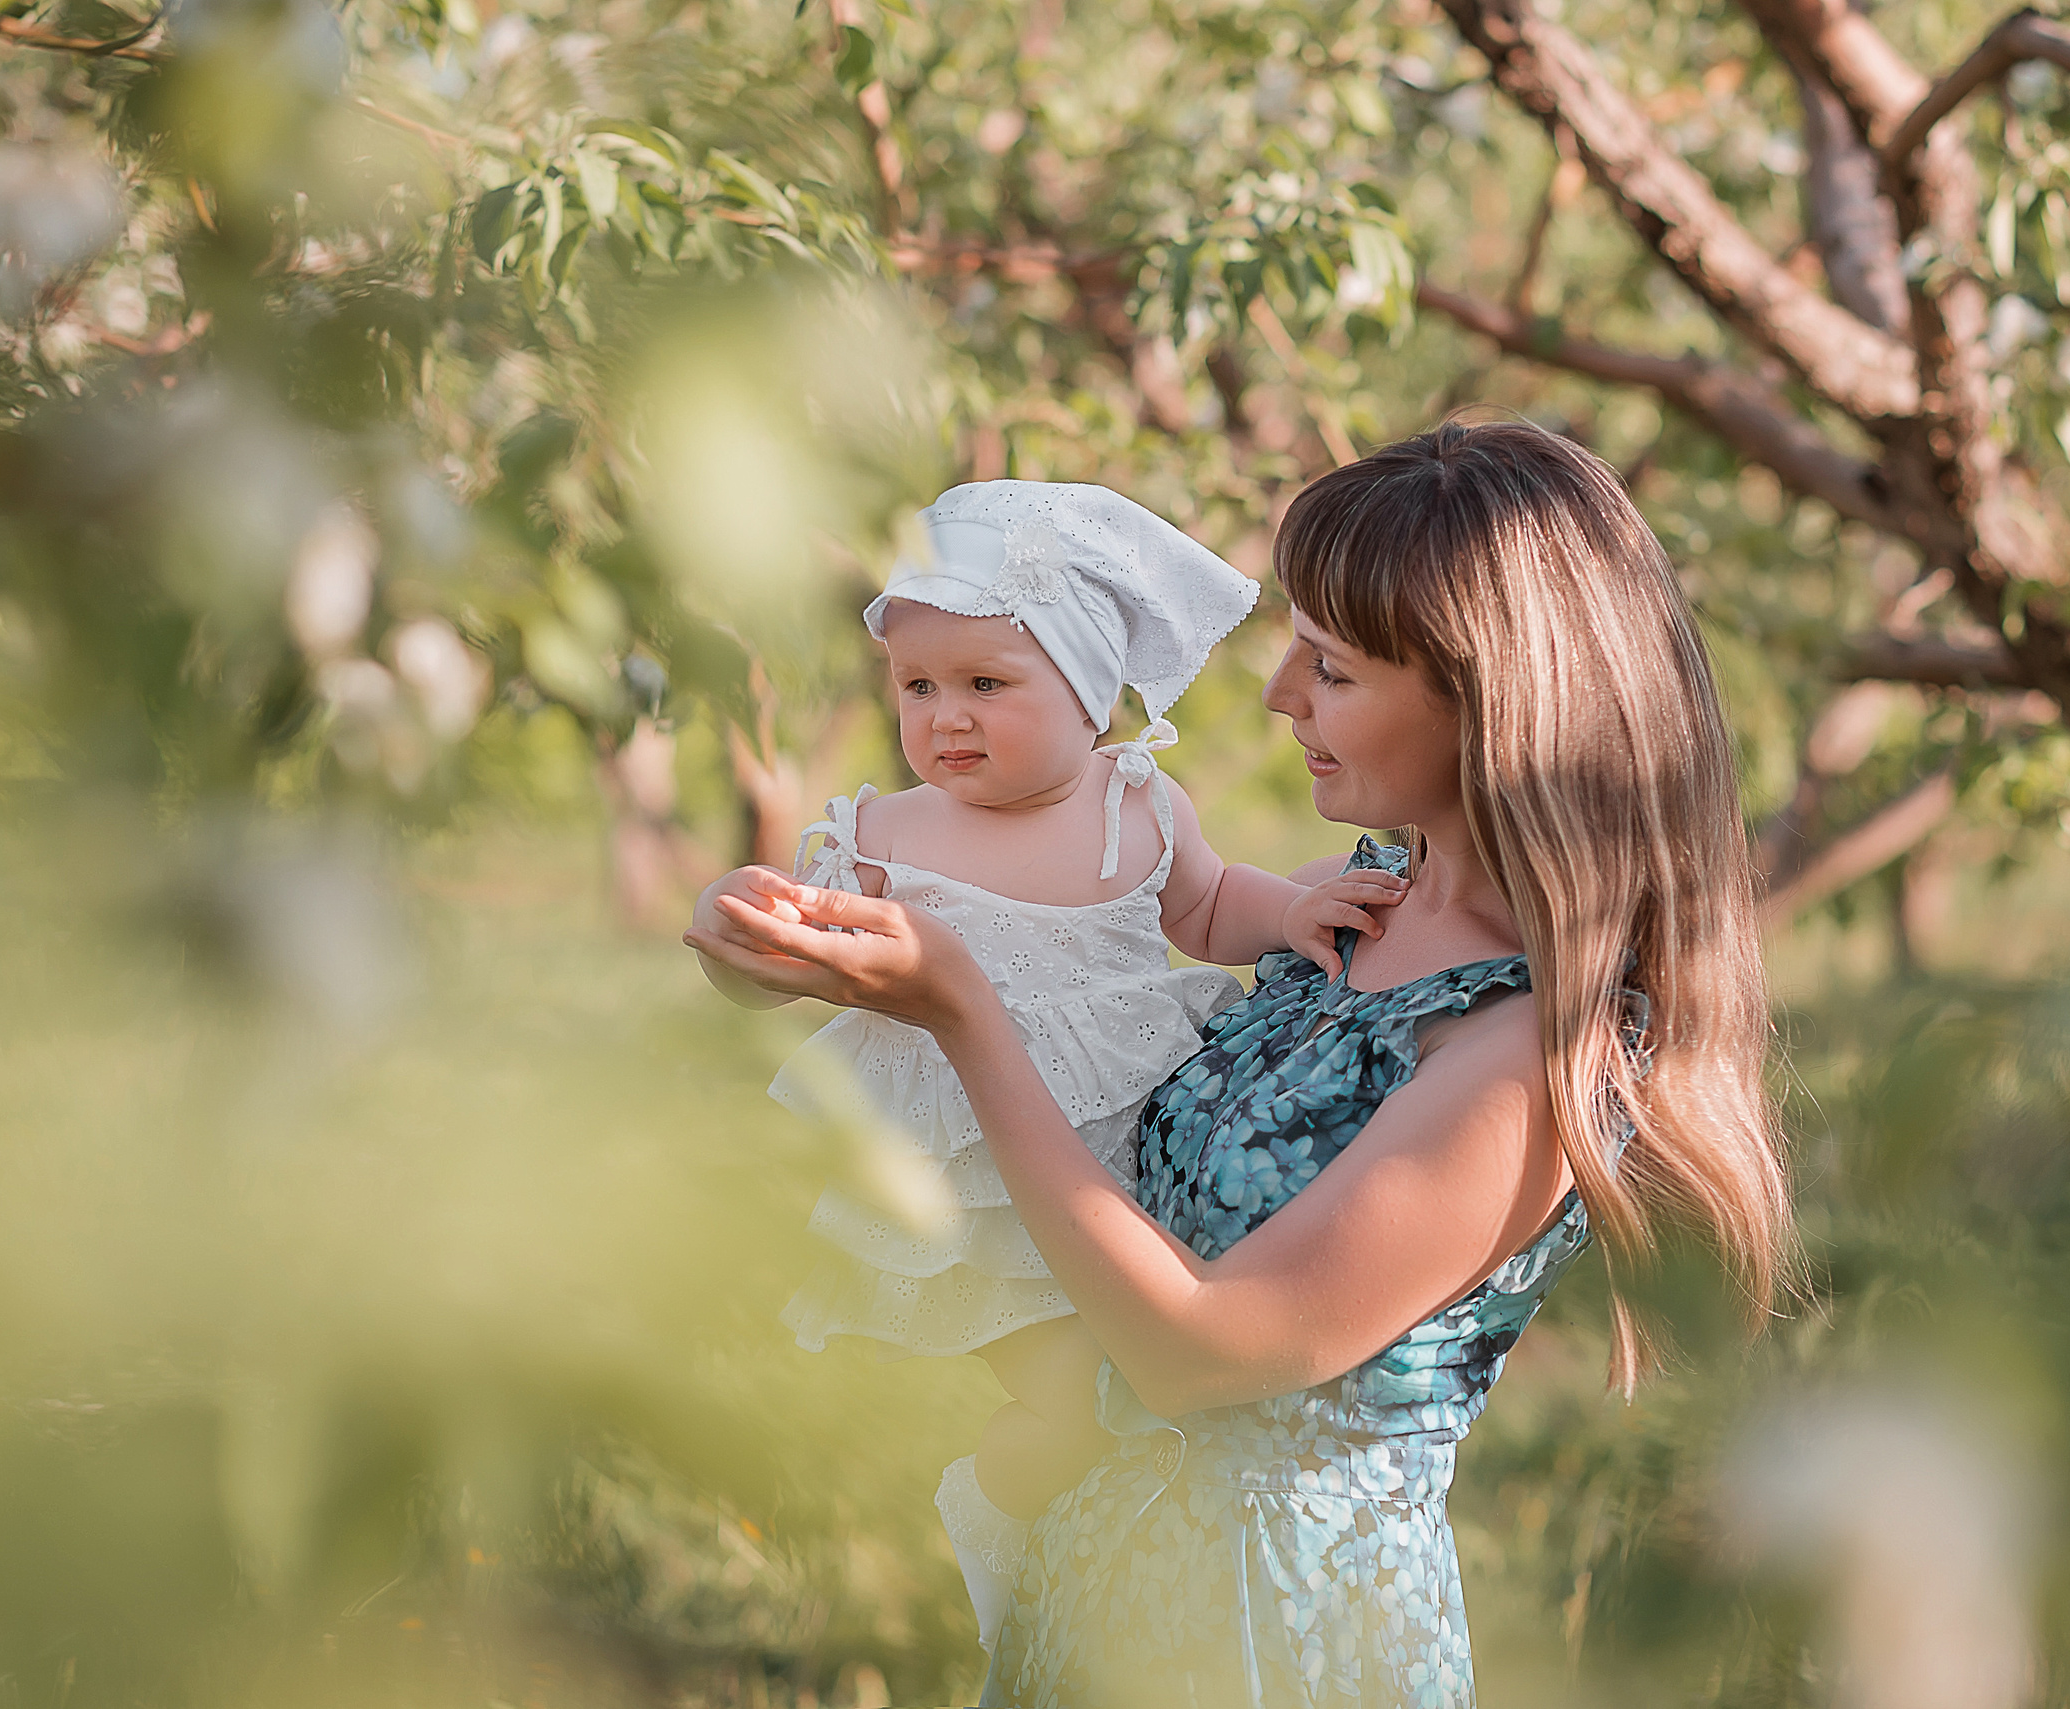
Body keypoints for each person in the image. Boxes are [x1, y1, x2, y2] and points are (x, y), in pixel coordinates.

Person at [687, 421, 1796, 1707]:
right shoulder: (1370, 900)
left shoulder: (1525, 1055)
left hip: (1275, 1637)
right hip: (1098, 1593)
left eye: (1328, 667)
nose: (1277, 696)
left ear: (1483, 696)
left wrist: (964, 1013)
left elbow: (1205, 1350)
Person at [687, 479, 1409, 1652]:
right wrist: (741, 929)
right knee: (1079, 1393)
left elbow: (1216, 902)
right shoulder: (886, 834)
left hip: (1121, 1154)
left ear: (1089, 690)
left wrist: (1295, 911)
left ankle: (1086, 1546)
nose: (946, 719)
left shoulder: (1138, 802)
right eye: (918, 686)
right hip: (973, 1175)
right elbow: (794, 951)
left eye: (986, 683)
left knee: (1133, 1386)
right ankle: (997, 1512)